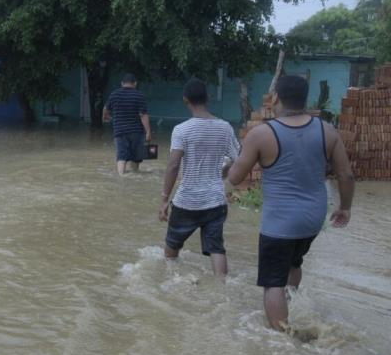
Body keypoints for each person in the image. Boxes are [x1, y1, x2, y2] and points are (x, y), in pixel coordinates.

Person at [228, 75, 355, 331]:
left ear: (275, 98)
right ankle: (290, 304)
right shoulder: (327, 131)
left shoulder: (261, 134)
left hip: (280, 223)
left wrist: (229, 167)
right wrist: (345, 207)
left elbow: (235, 177)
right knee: (294, 263)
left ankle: (281, 340)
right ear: (305, 99)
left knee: (272, 282)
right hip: (313, 220)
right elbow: (346, 175)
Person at [159, 78, 240, 280]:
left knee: (171, 248)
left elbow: (173, 166)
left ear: (185, 100)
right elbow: (238, 159)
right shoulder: (225, 128)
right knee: (216, 248)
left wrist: (164, 198)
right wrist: (222, 172)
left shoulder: (181, 130)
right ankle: (222, 287)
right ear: (208, 98)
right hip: (215, 201)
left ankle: (170, 285)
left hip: (186, 201)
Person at [103, 73, 152, 174]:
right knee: (136, 156)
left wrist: (106, 116)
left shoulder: (114, 94)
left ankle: (121, 177)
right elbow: (143, 115)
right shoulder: (139, 95)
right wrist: (148, 132)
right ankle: (134, 176)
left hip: (120, 132)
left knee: (121, 156)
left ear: (122, 83)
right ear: (135, 83)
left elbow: (106, 108)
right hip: (136, 132)